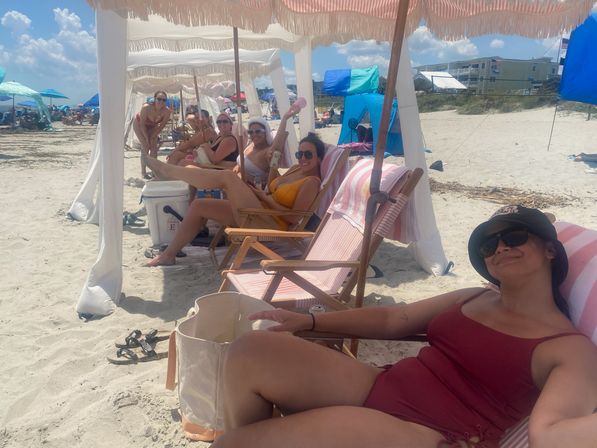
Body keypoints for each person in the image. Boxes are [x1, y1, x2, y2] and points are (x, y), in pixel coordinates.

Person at [212, 205, 597, 448]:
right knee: (251, 350)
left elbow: (551, 434)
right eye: (488, 246)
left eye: (514, 237)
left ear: (550, 250)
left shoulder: (568, 347)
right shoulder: (472, 296)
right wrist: (310, 320)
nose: (499, 248)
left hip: (431, 433)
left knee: (229, 446)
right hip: (381, 385)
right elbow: (393, 318)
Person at [144, 128, 323, 267]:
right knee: (199, 205)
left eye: (308, 154)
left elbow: (294, 217)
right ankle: (168, 255)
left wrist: (264, 197)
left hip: (270, 222)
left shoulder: (312, 182)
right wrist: (267, 176)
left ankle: (169, 171)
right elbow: (274, 186)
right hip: (259, 208)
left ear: (319, 158)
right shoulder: (296, 169)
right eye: (300, 154)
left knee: (228, 177)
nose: (303, 159)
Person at [167, 111, 232, 167]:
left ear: (207, 118)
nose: (198, 120)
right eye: (196, 118)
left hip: (206, 160)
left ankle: (166, 176)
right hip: (202, 157)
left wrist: (173, 151)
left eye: (200, 117)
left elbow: (190, 143)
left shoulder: (208, 131)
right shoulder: (200, 131)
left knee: (176, 155)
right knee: (178, 156)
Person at [133, 90, 172, 179]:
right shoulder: (146, 107)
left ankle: (154, 171)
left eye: (164, 100)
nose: (161, 102)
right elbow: (142, 124)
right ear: (154, 99)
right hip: (139, 124)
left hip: (152, 126)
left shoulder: (167, 111)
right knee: (145, 146)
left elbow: (161, 126)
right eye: (159, 99)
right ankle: (143, 172)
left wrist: (153, 136)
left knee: (154, 148)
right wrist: (146, 138)